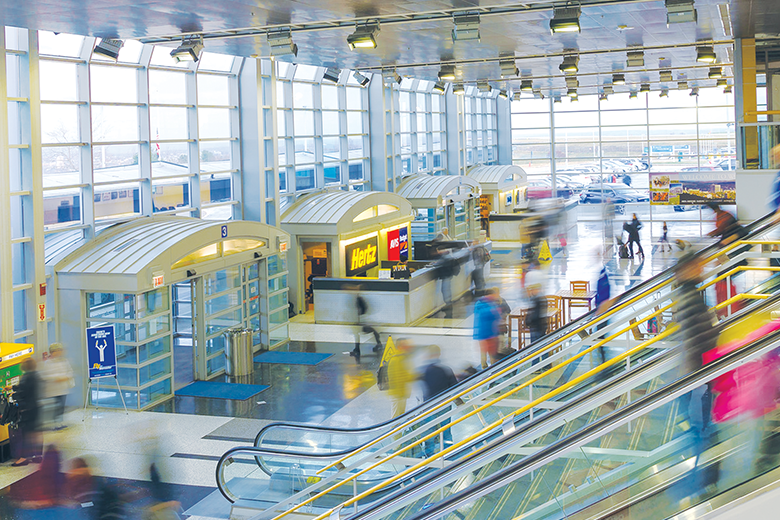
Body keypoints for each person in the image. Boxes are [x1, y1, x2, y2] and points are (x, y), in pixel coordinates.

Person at [674, 253, 720, 491]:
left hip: (693, 374)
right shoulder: (692, 298)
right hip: (698, 375)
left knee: (701, 427)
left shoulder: (687, 295)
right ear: (690, 269)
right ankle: (707, 478)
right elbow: (701, 338)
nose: (703, 268)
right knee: (703, 428)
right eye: (699, 265)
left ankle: (707, 474)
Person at [420, 345, 458, 456]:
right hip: (444, 405)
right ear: (438, 354)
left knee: (429, 432)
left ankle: (429, 455)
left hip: (428, 406)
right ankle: (448, 452)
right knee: (446, 430)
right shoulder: (446, 370)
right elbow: (455, 387)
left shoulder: (424, 371)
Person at [11, 358, 42, 467]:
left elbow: (22, 392)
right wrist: (13, 387)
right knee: (35, 433)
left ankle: (24, 458)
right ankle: (37, 455)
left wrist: (13, 394)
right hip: (36, 407)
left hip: (27, 409)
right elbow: (27, 388)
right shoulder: (36, 375)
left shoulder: (26, 377)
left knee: (25, 433)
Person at [40, 343, 74, 430]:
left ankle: (60, 422)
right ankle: (55, 423)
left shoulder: (64, 361)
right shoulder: (47, 363)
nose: (59, 352)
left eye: (60, 350)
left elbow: (70, 371)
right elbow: (45, 375)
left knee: (61, 406)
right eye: (57, 351)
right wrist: (57, 378)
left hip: (63, 389)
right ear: (52, 352)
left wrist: (66, 377)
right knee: (56, 407)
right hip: (52, 390)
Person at [350, 286, 382, 362]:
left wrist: (359, 319)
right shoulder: (358, 298)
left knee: (360, 332)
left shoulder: (359, 299)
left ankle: (357, 349)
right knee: (362, 332)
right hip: (362, 319)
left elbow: (361, 309)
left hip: (361, 319)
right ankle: (378, 343)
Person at [473, 291, 501, 369]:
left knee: (484, 352)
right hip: (489, 333)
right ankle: (491, 368)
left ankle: (485, 367)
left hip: (482, 333)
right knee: (491, 352)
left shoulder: (479, 304)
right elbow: (496, 316)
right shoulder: (489, 304)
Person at [387, 340, 415, 418]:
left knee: (400, 416)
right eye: (404, 346)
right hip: (397, 394)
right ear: (399, 347)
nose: (407, 347)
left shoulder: (401, 358)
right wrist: (414, 376)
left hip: (401, 393)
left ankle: (399, 430)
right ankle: (394, 430)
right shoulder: (397, 359)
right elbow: (400, 376)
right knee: (395, 418)